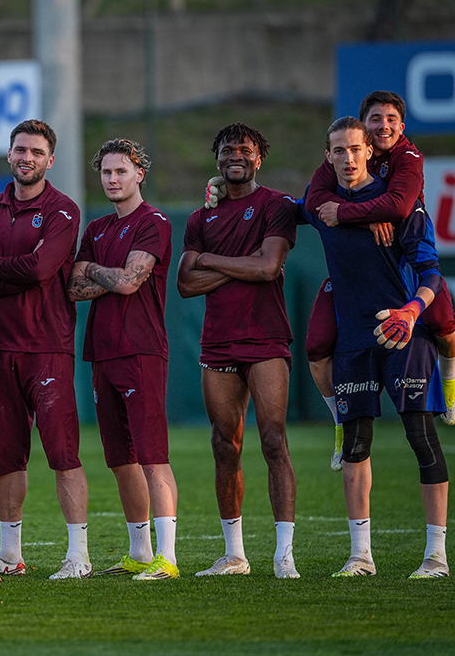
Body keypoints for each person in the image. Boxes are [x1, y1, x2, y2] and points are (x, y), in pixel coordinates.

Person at [300, 116, 448, 578]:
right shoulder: (319, 207)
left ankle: (436, 556)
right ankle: (360, 555)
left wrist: (410, 312)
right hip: (354, 341)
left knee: (421, 438)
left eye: (355, 149)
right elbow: (277, 207)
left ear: (371, 153)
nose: (348, 158)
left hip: (405, 335)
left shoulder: (399, 207)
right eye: (338, 151)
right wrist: (221, 189)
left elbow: (432, 274)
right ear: (328, 157)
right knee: (355, 447)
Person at [304, 91, 455, 470]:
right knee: (317, 344)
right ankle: (340, 420)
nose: (383, 125)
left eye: (391, 119)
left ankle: (450, 383)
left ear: (401, 128)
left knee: (441, 321)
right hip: (350, 274)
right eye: (375, 119)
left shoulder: (408, 157)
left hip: (400, 259)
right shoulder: (342, 148)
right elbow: (309, 203)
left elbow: (399, 207)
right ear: (364, 129)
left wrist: (353, 211)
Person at [176, 123, 300, 579]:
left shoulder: (276, 205)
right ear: (217, 159)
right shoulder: (199, 218)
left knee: (272, 439)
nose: (236, 156)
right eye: (227, 150)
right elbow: (185, 284)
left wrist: (210, 260)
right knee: (224, 445)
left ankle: (283, 555)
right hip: (218, 341)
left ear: (258, 158)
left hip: (266, 338)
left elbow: (269, 267)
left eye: (244, 150)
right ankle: (234, 555)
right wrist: (238, 266)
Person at [0, 120, 91, 580]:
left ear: (50, 160)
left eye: (36, 152)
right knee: (5, 457)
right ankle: (9, 555)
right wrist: (2, 269)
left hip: (48, 345)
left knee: (63, 453)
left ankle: (78, 555)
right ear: (9, 154)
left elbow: (42, 269)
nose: (27, 157)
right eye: (20, 149)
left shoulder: (63, 210)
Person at [68, 138, 179, 581]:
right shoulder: (95, 229)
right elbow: (73, 290)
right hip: (102, 351)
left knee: (152, 455)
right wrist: (103, 275)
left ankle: (167, 558)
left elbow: (131, 282)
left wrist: (95, 271)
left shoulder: (154, 221)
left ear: (139, 174)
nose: (113, 179)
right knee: (120, 458)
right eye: (107, 173)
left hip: (142, 349)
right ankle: (139, 552)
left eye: (121, 172)